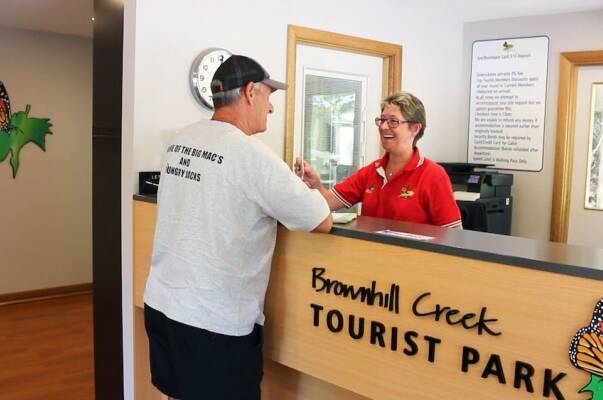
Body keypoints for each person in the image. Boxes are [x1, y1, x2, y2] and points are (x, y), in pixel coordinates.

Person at [143, 55, 332, 400]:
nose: (271, 108)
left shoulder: (181, 141)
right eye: (268, 97)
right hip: (214, 324)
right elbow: (320, 219)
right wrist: (312, 187)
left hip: (163, 305)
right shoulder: (252, 156)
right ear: (249, 92)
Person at [296, 91, 461, 228]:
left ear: (415, 128)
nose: (383, 126)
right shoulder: (372, 171)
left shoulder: (433, 175)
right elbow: (328, 202)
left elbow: (454, 235)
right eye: (382, 120)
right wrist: (316, 183)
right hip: (372, 255)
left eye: (393, 121)